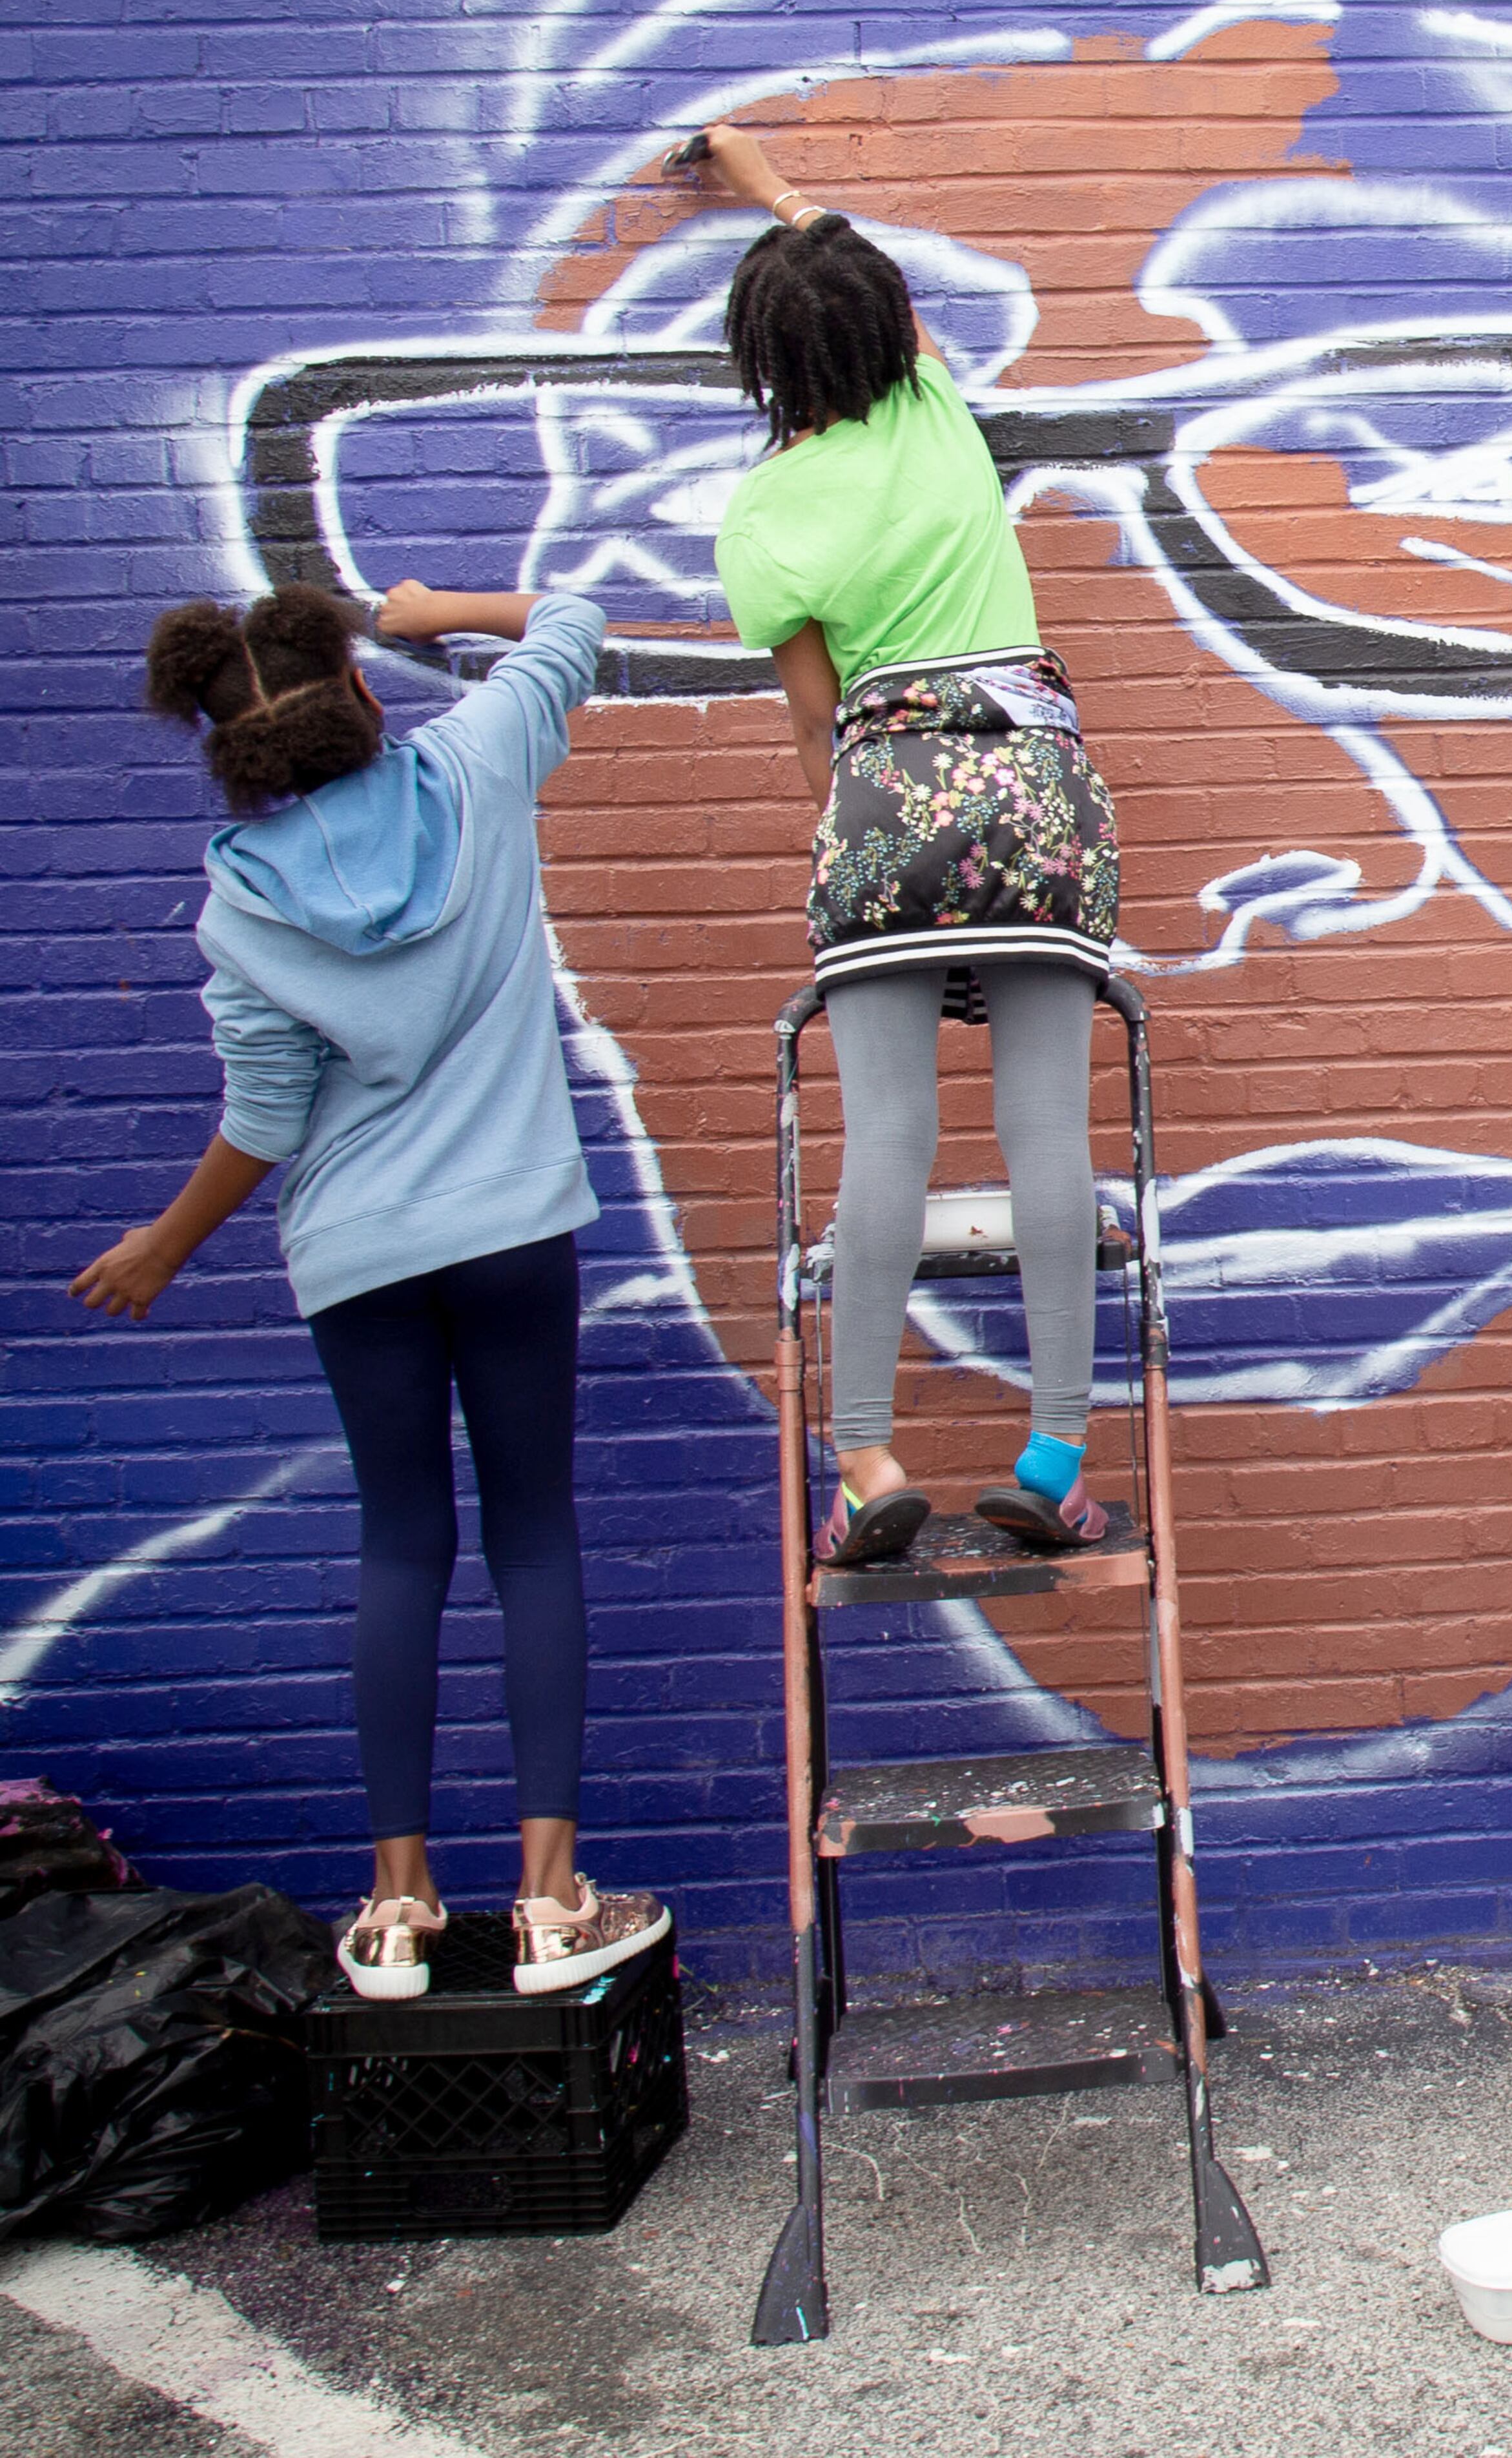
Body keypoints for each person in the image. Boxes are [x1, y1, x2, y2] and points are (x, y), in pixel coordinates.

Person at [70, 578, 669, 2004]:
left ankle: (399, 1904)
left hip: (356, 1254)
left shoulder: (240, 901)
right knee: (535, 1536)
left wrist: (168, 1241)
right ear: (354, 688)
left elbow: (268, 1115)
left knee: (402, 1544)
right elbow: (572, 618)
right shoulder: (476, 760)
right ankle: (545, 1898)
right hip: (516, 1224)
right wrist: (426, 607)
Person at [681, 118, 1122, 1564]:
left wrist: (858, 847)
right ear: (884, 329)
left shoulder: (761, 515)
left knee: (893, 1141)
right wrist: (761, 178)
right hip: (1036, 786)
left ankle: (868, 1460)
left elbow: (820, 728)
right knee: (1046, 1130)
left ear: (764, 369)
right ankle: (1052, 1455)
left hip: (889, 795)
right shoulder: (936, 408)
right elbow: (847, 257)